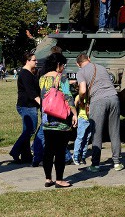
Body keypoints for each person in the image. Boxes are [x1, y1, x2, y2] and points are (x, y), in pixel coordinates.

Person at [76, 53, 124, 172]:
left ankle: (95, 164)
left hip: (98, 100)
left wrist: (81, 100)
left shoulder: (81, 72)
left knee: (96, 132)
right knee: (115, 131)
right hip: (114, 98)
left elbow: (83, 90)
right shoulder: (101, 67)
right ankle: (117, 162)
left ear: (78, 64)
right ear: (89, 59)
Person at [39, 52, 77, 188]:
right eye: (63, 65)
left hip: (47, 118)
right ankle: (59, 180)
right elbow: (68, 96)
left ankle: (48, 178)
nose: (64, 68)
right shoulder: (62, 78)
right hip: (61, 120)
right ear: (58, 64)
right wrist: (74, 113)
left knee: (48, 150)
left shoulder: (42, 78)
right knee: (60, 150)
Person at [9, 51, 41, 164]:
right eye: (34, 60)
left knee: (26, 131)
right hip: (26, 106)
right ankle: (15, 151)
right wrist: (41, 103)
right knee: (30, 130)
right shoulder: (25, 74)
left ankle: (26, 155)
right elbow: (31, 92)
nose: (36, 62)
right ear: (27, 61)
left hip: (29, 105)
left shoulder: (30, 73)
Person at [72, 91, 95, 165]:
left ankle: (83, 156)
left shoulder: (92, 96)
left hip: (90, 119)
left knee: (87, 138)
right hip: (82, 119)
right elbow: (74, 106)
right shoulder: (79, 97)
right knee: (80, 137)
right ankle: (76, 155)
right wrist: (74, 117)